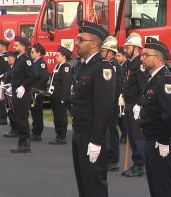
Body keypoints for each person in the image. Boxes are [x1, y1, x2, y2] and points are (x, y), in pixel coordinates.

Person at [71, 20, 115, 197]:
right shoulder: (82, 66)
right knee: (83, 186)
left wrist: (97, 140)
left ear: (94, 44)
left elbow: (104, 108)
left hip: (92, 135)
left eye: (81, 40)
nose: (77, 43)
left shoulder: (102, 68)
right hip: (80, 133)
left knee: (94, 187)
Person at [140, 37, 171, 197]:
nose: (142, 58)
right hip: (151, 139)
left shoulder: (165, 80)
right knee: (155, 187)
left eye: (145, 55)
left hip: (161, 140)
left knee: (163, 188)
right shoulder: (154, 78)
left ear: (158, 58)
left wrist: (163, 140)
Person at [122, 32, 149, 177]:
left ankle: (140, 164)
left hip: (135, 105)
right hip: (129, 103)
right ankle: (135, 162)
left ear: (137, 49)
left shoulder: (140, 64)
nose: (125, 50)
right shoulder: (130, 63)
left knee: (137, 136)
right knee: (131, 135)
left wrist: (139, 104)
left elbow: (144, 86)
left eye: (128, 47)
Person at [9, 36, 38, 153]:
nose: (13, 47)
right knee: (19, 117)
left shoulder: (26, 60)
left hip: (23, 94)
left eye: (16, 45)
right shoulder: (18, 60)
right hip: (17, 93)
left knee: (22, 118)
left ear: (22, 47)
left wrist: (24, 87)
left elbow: (34, 75)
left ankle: (25, 143)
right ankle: (21, 142)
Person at [100, 36, 122, 171]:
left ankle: (113, 159)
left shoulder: (113, 66)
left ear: (111, 53)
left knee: (112, 130)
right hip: (106, 103)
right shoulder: (107, 64)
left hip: (111, 103)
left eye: (104, 51)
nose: (102, 53)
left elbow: (115, 86)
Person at [48, 46, 72, 145]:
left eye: (58, 56)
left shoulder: (66, 67)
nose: (56, 57)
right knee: (56, 116)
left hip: (60, 96)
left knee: (61, 116)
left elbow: (66, 84)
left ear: (64, 57)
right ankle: (58, 135)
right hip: (55, 95)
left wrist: (63, 97)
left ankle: (62, 136)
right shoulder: (58, 66)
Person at [29, 42, 49, 142]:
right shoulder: (34, 63)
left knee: (37, 113)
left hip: (38, 92)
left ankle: (37, 133)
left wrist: (36, 89)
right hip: (33, 92)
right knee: (33, 112)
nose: (31, 54)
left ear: (39, 53)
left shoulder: (40, 63)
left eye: (33, 52)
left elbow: (44, 77)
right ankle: (34, 131)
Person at [3, 51, 18, 138]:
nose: (8, 59)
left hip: (13, 93)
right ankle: (13, 128)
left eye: (9, 58)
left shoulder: (15, 69)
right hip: (8, 92)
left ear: (14, 59)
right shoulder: (11, 68)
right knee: (10, 111)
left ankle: (16, 129)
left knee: (13, 111)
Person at [115, 47, 128, 144]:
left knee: (123, 116)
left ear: (125, 56)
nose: (117, 57)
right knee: (119, 116)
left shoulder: (127, 66)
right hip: (119, 94)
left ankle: (125, 134)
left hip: (124, 94)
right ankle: (123, 133)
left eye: (119, 56)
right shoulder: (119, 66)